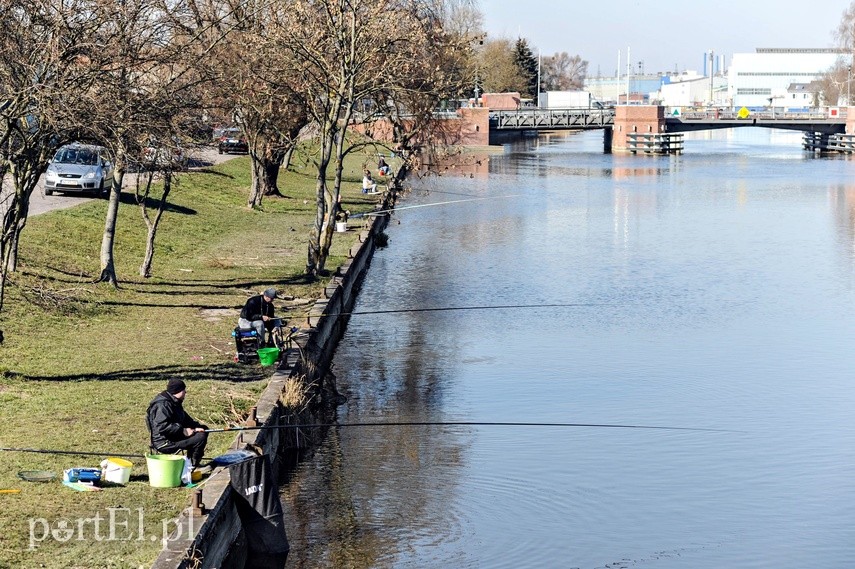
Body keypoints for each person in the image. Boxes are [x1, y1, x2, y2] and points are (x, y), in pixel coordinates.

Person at [146, 379, 208, 468]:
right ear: (177, 391)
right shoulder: (163, 405)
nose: (185, 392)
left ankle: (191, 463)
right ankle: (193, 467)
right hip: (164, 442)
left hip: (173, 436)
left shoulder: (174, 402)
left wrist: (196, 427)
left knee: (203, 430)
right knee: (200, 437)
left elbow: (185, 419)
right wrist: (183, 430)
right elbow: (162, 427)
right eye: (183, 390)